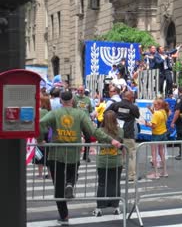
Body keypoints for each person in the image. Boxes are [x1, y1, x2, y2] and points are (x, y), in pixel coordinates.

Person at [38, 91, 122, 226]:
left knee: (58, 187)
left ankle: (64, 215)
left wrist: (41, 139)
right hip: (73, 153)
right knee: (72, 173)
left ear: (60, 101)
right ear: (73, 100)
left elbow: (41, 123)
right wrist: (111, 140)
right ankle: (70, 183)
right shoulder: (80, 114)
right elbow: (93, 131)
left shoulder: (54, 113)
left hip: (56, 153)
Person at [92, 110, 124, 217]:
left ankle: (99, 207)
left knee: (102, 183)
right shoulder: (120, 131)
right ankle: (116, 206)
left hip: (103, 160)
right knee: (115, 183)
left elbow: (95, 137)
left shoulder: (100, 131)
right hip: (116, 160)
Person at [106, 91, 140, 181]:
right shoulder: (133, 107)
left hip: (115, 133)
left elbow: (105, 114)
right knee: (131, 154)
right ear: (131, 98)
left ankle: (114, 174)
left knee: (116, 154)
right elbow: (137, 115)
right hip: (128, 133)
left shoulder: (115, 105)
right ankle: (131, 175)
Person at [144, 98, 170, 179]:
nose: (154, 106)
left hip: (156, 134)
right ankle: (164, 171)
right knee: (161, 152)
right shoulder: (164, 112)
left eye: (155, 105)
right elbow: (158, 116)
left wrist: (147, 124)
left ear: (159, 105)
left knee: (154, 154)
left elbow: (154, 125)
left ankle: (156, 173)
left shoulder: (157, 114)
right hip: (163, 133)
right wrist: (151, 110)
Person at [73, 85, 94, 163]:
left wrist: (92, 117)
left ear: (84, 91)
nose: (80, 92)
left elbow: (90, 110)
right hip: (76, 121)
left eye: (82, 90)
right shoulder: (74, 98)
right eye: (79, 90)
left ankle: (86, 155)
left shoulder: (88, 99)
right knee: (76, 138)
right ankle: (76, 156)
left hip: (86, 121)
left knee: (88, 138)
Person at [33, 95, 52, 178]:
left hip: (41, 135)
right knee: (49, 155)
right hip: (49, 136)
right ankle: (50, 174)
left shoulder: (40, 112)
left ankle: (40, 174)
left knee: (39, 155)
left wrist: (39, 139)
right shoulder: (50, 112)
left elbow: (39, 125)